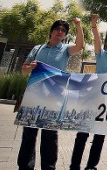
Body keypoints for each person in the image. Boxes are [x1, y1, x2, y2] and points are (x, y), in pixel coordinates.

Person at [17, 18, 85, 170]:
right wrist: (31, 67)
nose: (60, 32)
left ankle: (49, 167)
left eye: (63, 31)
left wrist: (79, 25)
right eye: (57, 29)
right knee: (29, 134)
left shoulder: (65, 50)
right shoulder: (37, 49)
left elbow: (80, 46)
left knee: (49, 136)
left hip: (54, 99)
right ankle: (24, 166)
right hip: (34, 96)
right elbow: (24, 69)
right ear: (51, 31)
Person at [69, 14, 107, 170]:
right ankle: (74, 165)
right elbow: (96, 41)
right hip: (92, 98)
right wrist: (94, 25)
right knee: (82, 134)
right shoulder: (101, 55)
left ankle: (91, 166)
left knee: (100, 136)